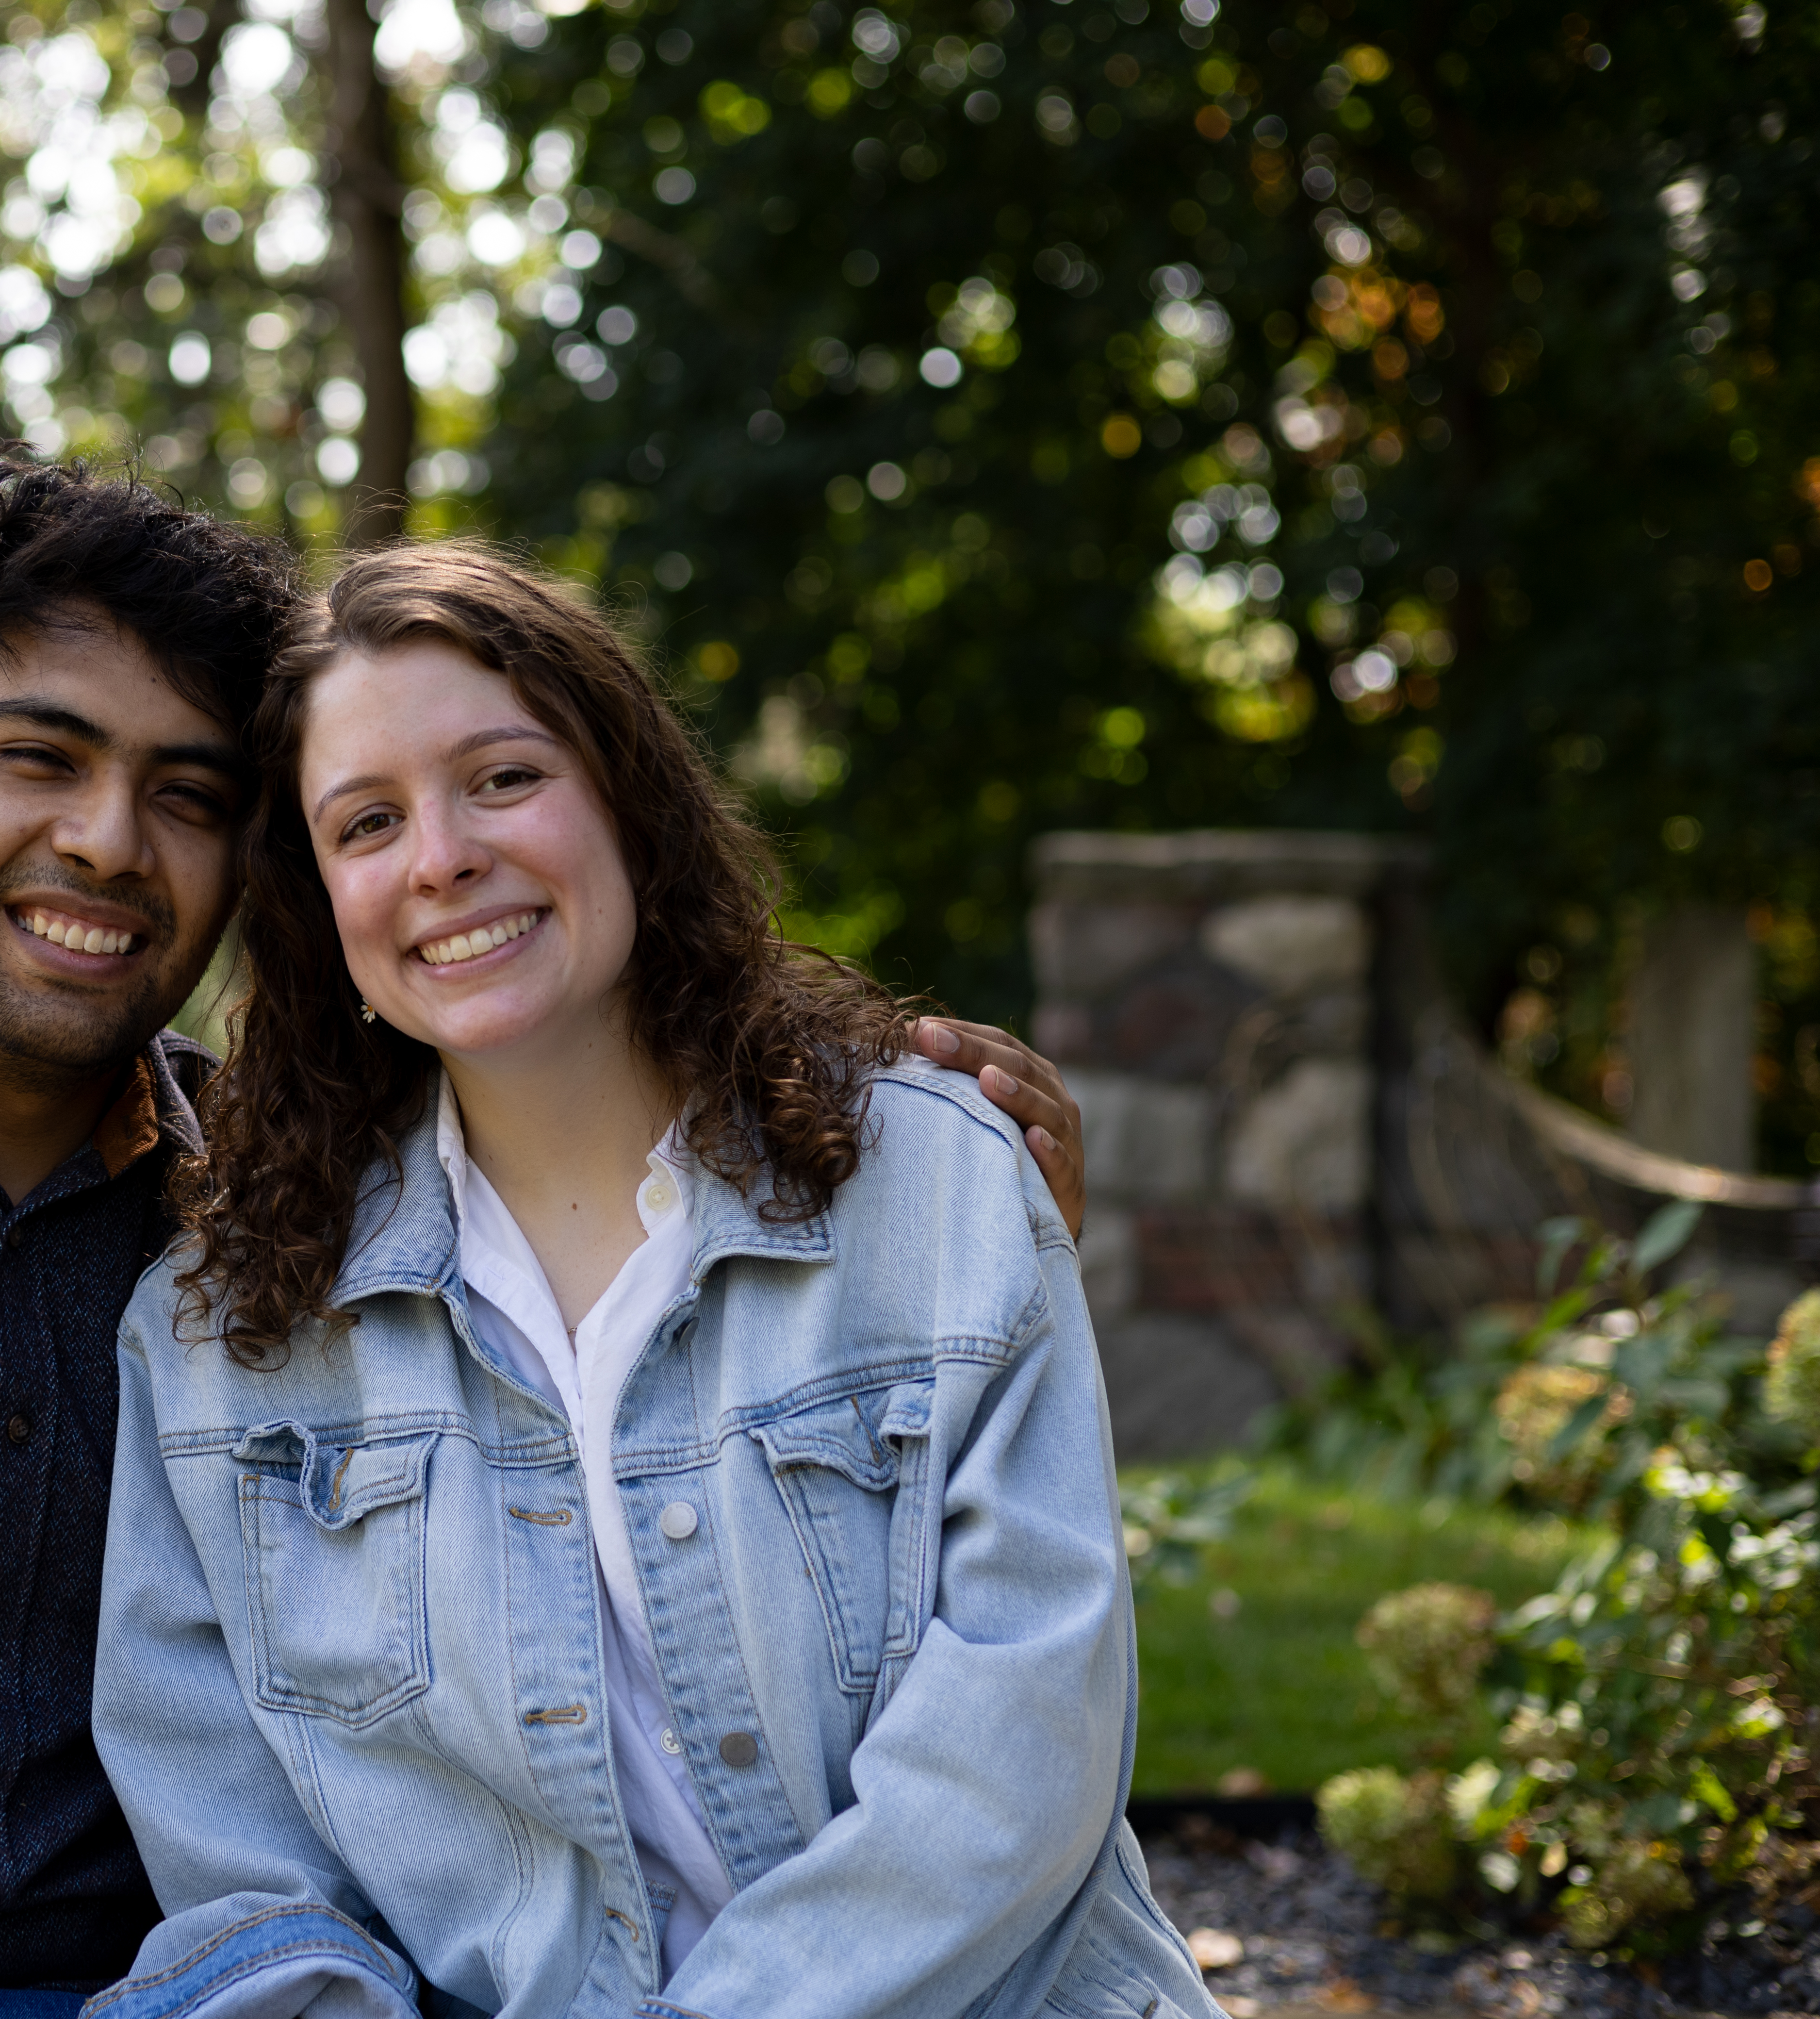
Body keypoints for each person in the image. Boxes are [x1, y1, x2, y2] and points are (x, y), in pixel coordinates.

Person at [0, 450, 1090, 2019]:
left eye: (187, 795)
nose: (108, 843)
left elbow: (586, 1074)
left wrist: (915, 1144)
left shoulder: (276, 1216)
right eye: (41, 757)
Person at [89, 544, 1212, 2019]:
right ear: (324, 916)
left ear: (628, 803)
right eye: (368, 822)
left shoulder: (936, 1188)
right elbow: (245, 1870)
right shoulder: (222, 1339)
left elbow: (1029, 1734)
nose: (440, 858)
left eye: (502, 778)